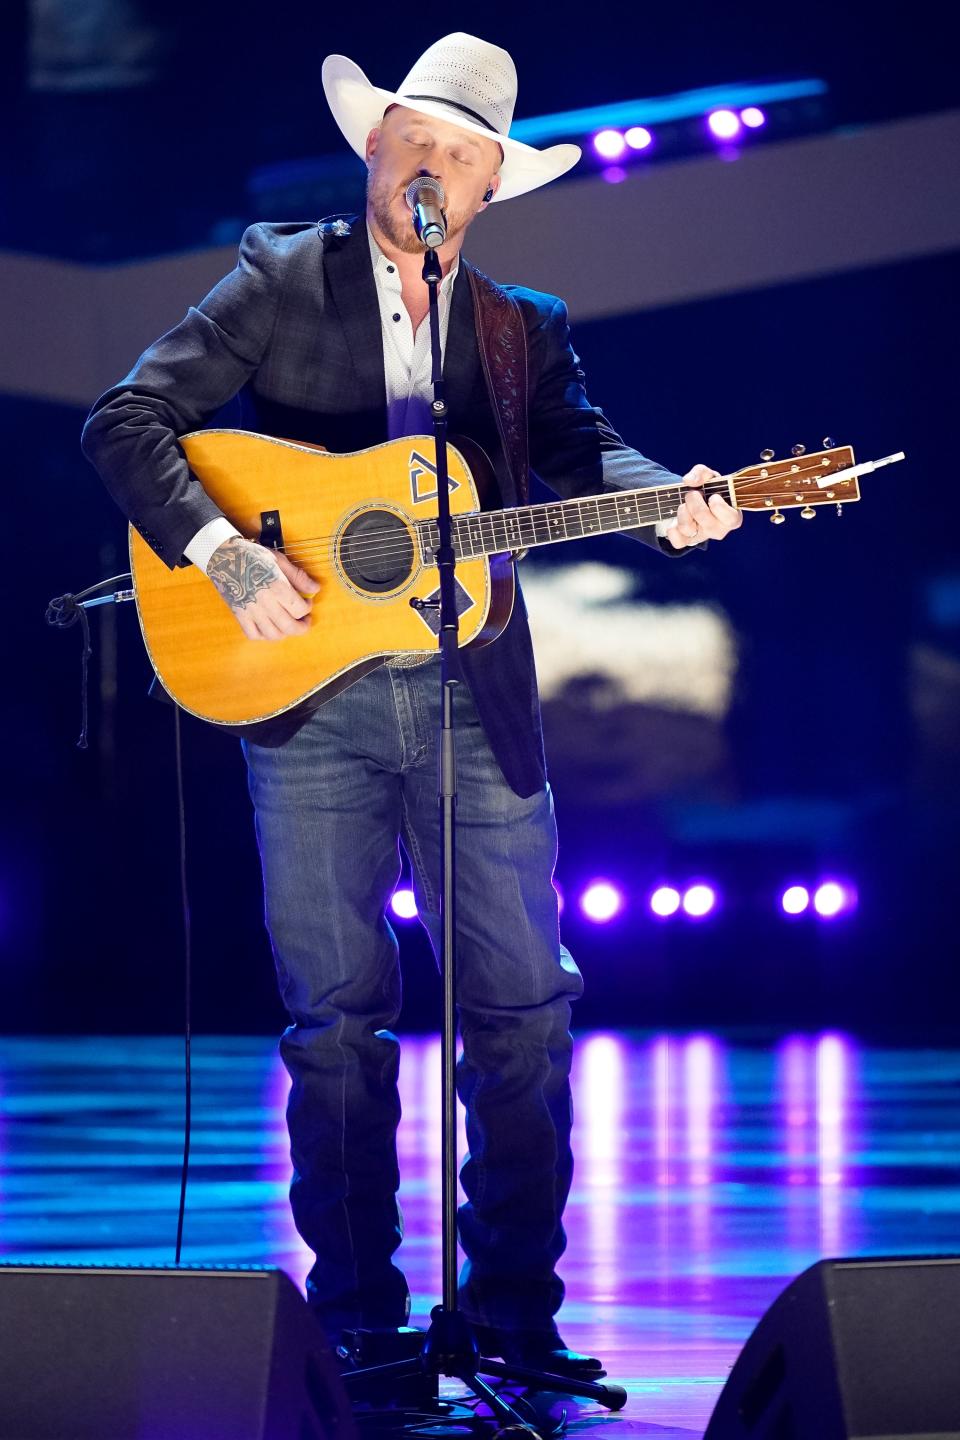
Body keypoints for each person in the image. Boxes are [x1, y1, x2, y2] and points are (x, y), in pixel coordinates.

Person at [81, 33, 743, 1375]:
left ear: (491, 186)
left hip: (470, 696)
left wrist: (671, 494)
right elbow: (126, 420)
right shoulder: (282, 276)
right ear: (371, 149)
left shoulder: (520, 330)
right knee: (334, 1022)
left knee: (521, 1010)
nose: (428, 167)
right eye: (412, 141)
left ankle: (509, 1316)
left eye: (458, 153)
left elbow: (581, 454)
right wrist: (226, 553)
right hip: (304, 687)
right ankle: (357, 1316)